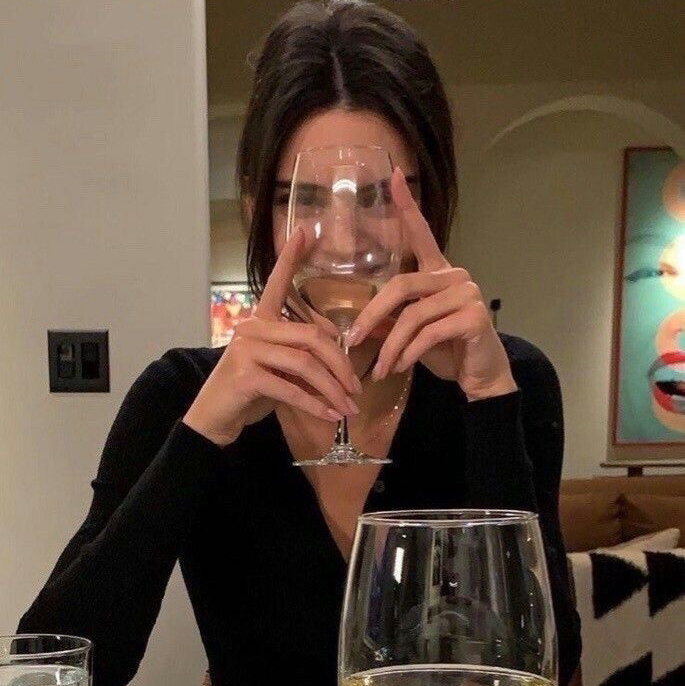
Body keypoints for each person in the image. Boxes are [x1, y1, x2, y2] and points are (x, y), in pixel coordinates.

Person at [18, 1, 581, 685]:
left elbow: (547, 667)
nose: (342, 241)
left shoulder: (510, 378)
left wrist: (488, 398)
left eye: (378, 197)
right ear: (260, 209)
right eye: (304, 199)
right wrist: (202, 433)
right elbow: (50, 670)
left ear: (430, 203)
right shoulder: (181, 394)